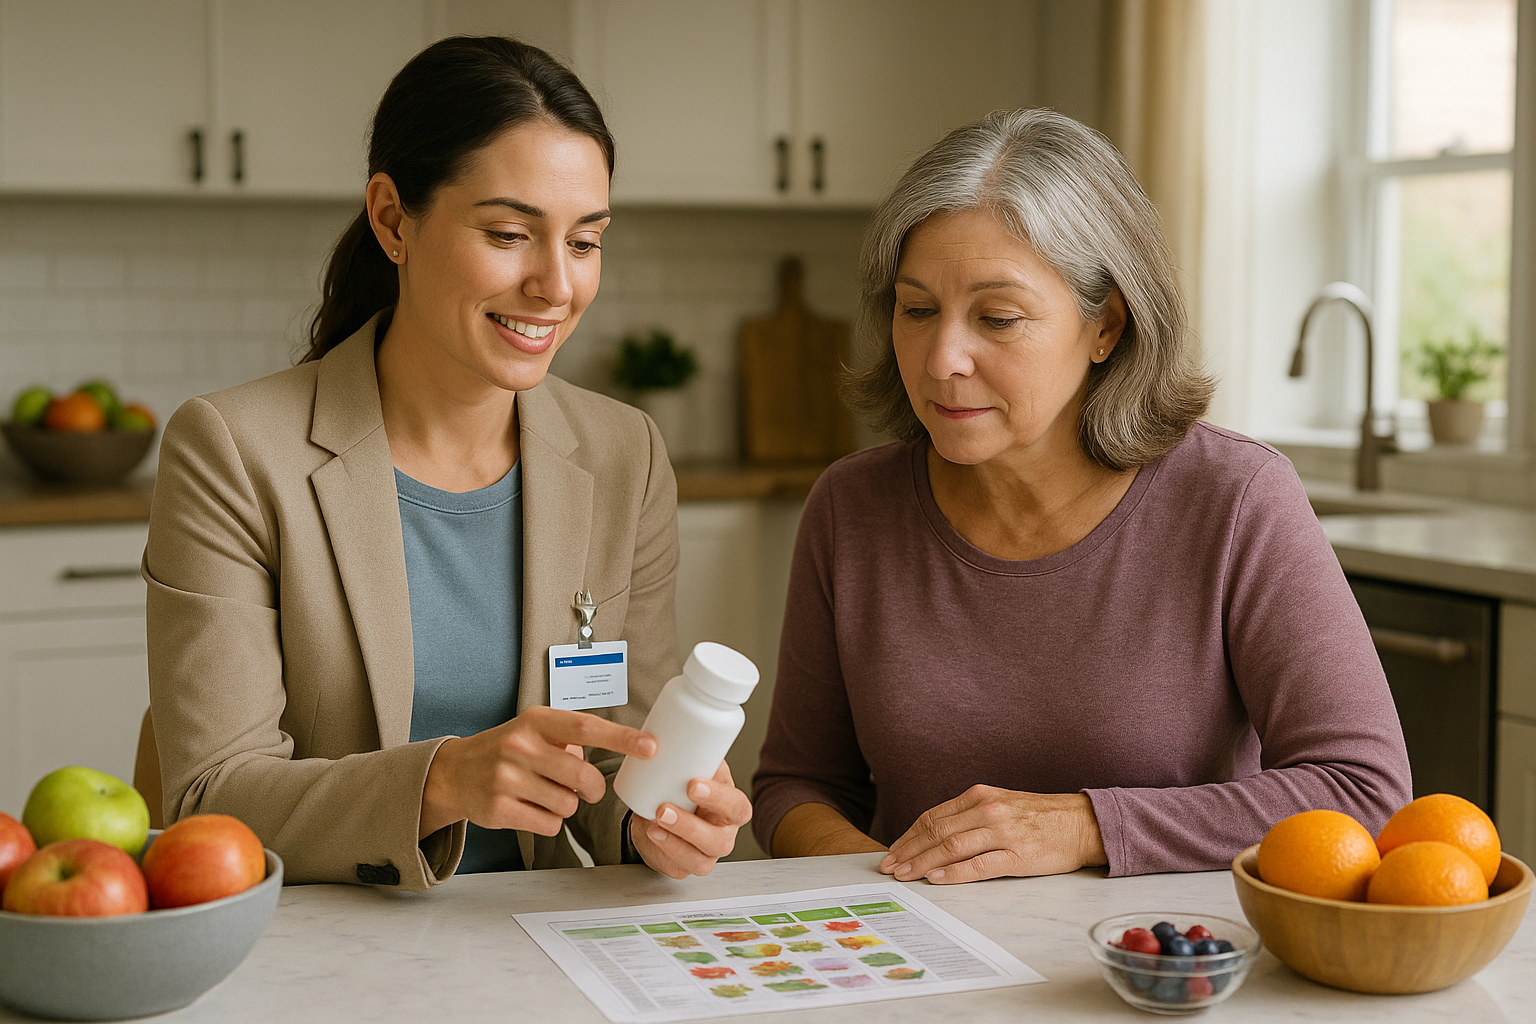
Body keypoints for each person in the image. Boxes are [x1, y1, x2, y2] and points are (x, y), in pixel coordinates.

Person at [142, 36, 750, 891]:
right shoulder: (235, 452)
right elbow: (211, 801)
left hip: (533, 941)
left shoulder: (626, 455)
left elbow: (618, 767)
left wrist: (668, 820)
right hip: (328, 949)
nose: (555, 285)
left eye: (585, 241)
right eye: (508, 233)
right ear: (393, 219)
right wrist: (445, 782)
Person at [751, 109, 1412, 882]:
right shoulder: (850, 508)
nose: (942, 359)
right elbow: (796, 787)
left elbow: (1364, 792)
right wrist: (893, 892)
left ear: (1106, 327)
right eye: (917, 309)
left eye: (997, 318)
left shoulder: (1236, 499)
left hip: (1161, 969)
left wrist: (1087, 826)